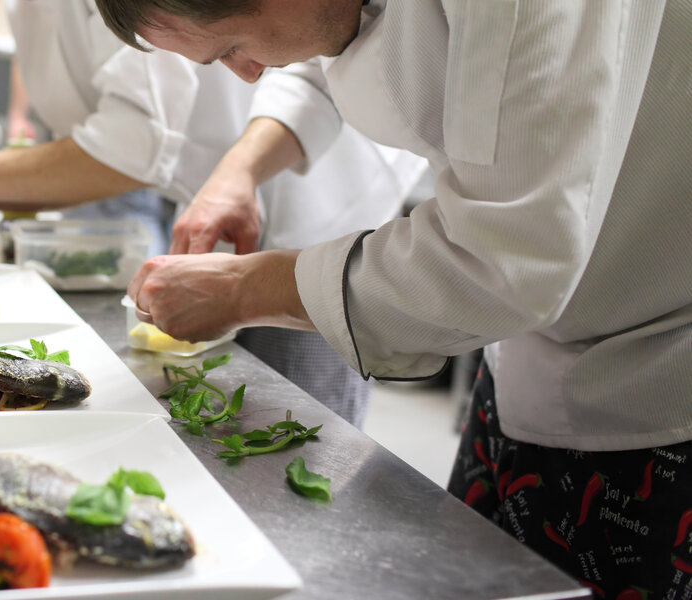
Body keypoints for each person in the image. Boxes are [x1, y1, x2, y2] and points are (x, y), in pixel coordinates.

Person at [97, 0, 692, 595]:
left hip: (655, 365)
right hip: (530, 346)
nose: (248, 74)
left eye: (230, 48)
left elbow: (497, 262)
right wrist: (240, 171)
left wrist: (243, 288)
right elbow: (323, 51)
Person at [0, 0, 428, 429]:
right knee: (216, 424)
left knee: (296, 437)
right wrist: (232, 178)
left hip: (322, 216)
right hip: (222, 200)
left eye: (229, 53)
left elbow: (134, 145)